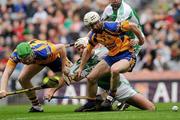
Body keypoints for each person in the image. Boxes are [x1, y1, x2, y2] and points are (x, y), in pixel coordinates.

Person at [45, 37, 155, 112]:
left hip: (117, 86)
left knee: (150, 108)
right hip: (102, 88)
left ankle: (121, 100)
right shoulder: (79, 64)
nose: (80, 51)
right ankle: (96, 103)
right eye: (78, 49)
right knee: (95, 90)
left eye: (82, 47)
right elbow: (66, 78)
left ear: (89, 46)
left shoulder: (104, 52)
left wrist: (134, 42)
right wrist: (52, 91)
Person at [76, 11, 145, 110]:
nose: (95, 27)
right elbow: (87, 51)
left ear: (100, 20)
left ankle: (111, 97)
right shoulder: (94, 35)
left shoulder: (112, 26)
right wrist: (80, 68)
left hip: (127, 54)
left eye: (96, 23)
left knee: (115, 69)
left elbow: (132, 25)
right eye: (91, 26)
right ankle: (91, 103)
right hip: (112, 56)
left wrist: (141, 41)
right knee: (91, 78)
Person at [0, 39, 69, 112]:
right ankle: (36, 106)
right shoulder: (15, 56)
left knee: (69, 75)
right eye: (24, 60)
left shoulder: (43, 50)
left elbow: (62, 47)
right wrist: (2, 90)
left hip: (54, 58)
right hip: (38, 61)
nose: (26, 61)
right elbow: (6, 73)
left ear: (32, 53)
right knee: (22, 79)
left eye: (27, 58)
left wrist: (64, 67)